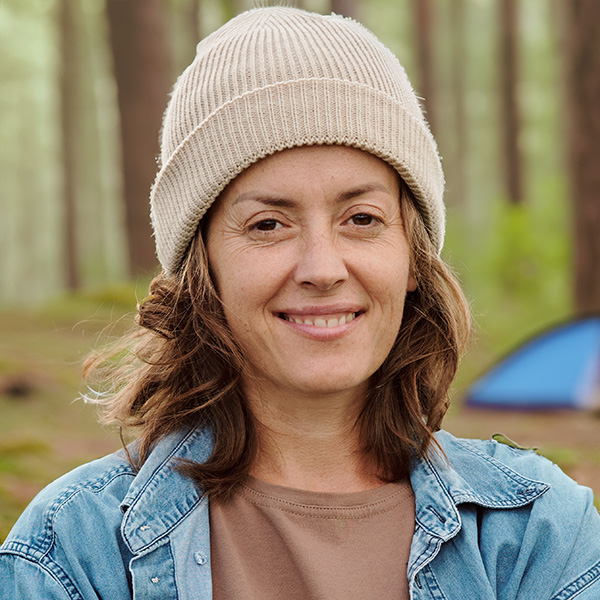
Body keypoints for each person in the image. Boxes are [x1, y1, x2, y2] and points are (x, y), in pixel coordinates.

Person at [1, 6, 599, 599]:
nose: (322, 269)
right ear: (201, 265)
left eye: (362, 218)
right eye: (268, 224)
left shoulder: (539, 536)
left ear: (412, 256)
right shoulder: (72, 553)